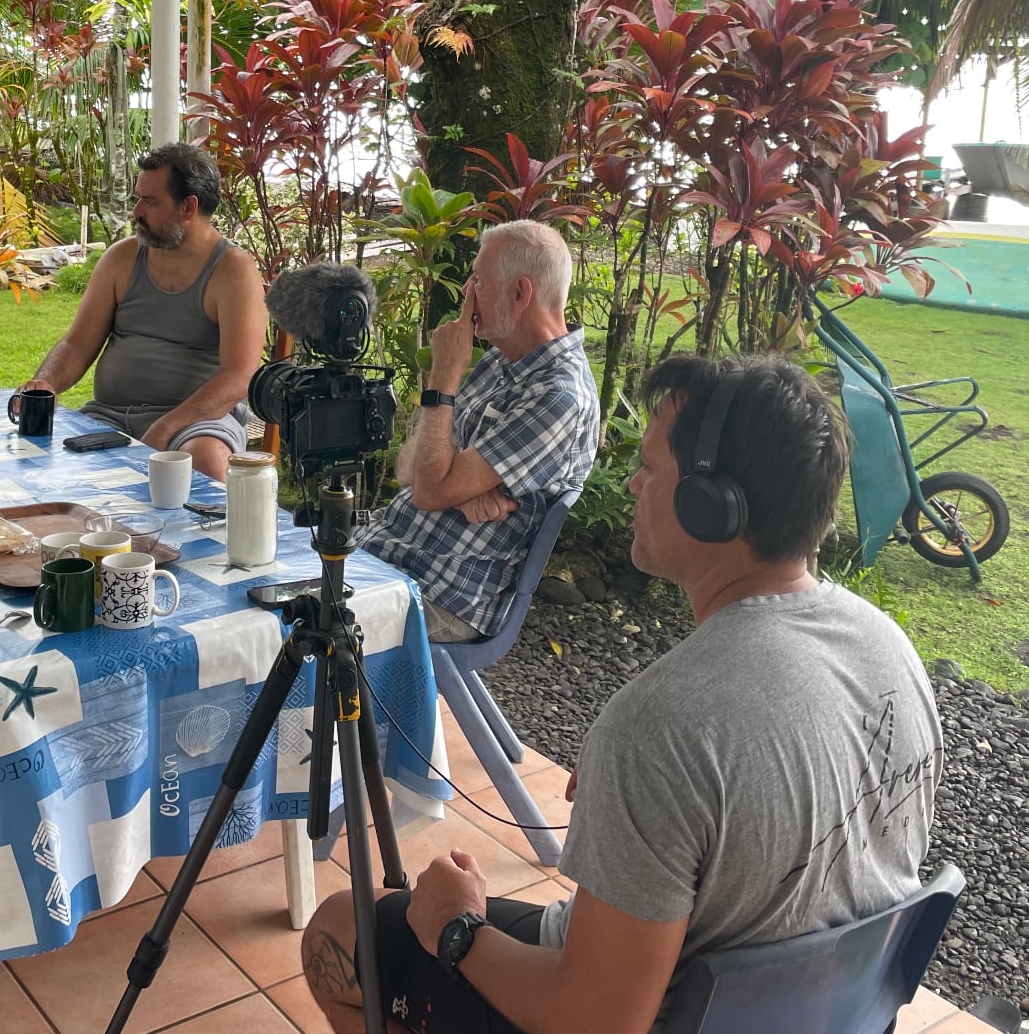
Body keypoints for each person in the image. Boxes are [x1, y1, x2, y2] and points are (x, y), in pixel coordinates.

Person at [300, 354, 944, 1034]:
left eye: (652, 468)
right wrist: (642, 798)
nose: (634, 483)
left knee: (340, 931)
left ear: (711, 505)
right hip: (819, 1014)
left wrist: (456, 927)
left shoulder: (661, 727)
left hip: (640, 1015)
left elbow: (596, 1022)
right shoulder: (889, 646)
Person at [363, 220, 599, 643]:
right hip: (384, 555)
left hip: (437, 593)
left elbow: (428, 492)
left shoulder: (559, 396)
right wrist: (455, 478)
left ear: (520, 292)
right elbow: (409, 472)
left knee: (287, 627)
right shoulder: (500, 360)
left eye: (478, 281)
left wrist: (442, 383)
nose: (467, 295)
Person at [23, 142, 266, 481]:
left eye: (150, 201)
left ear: (188, 207)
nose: (136, 210)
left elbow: (239, 377)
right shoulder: (122, 258)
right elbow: (77, 345)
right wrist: (44, 385)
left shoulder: (232, 270)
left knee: (205, 460)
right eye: (138, 198)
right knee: (40, 463)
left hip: (195, 424)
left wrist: (165, 427)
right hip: (109, 416)